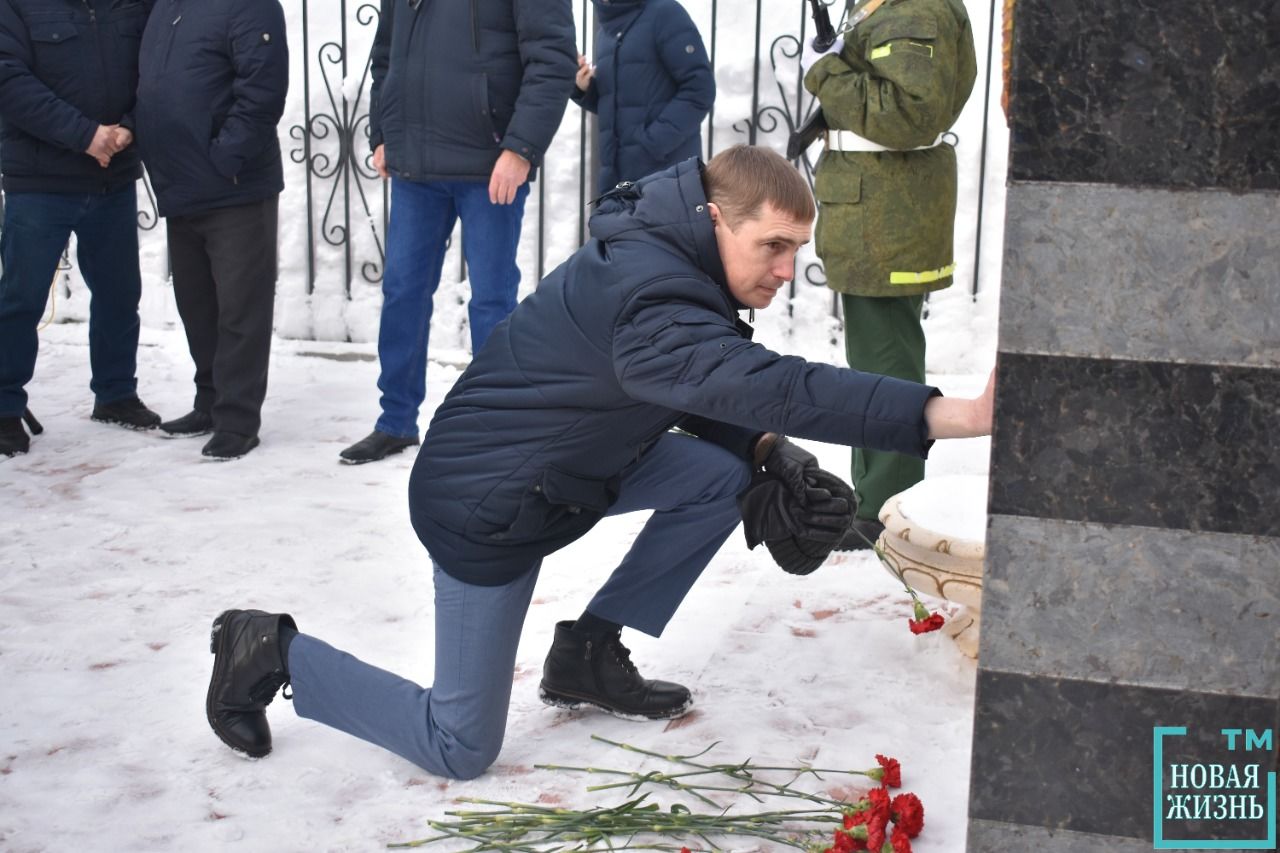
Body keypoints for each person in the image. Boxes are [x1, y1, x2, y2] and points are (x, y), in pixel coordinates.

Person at [205, 146, 993, 780]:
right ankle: (268, 649)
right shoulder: (651, 294)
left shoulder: (668, 259)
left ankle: (587, 652)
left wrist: (762, 452)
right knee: (459, 743)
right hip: (487, 505)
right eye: (774, 246)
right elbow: (778, 385)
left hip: (568, 467)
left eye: (796, 249)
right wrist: (952, 414)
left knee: (720, 480)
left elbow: (690, 388)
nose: (788, 270)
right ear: (716, 220)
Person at [337, 0, 577, 464]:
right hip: (416, 167)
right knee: (403, 291)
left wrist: (521, 148)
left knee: (491, 298)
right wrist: (382, 131)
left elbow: (553, 58)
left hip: (490, 164)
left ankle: (493, 426)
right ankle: (396, 421)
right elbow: (386, 54)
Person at [804, 0, 977, 546]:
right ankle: (876, 494)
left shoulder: (914, 12)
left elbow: (908, 115)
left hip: (886, 217)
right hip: (877, 214)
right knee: (878, 356)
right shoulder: (889, 8)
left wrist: (828, 70)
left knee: (885, 361)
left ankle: (885, 507)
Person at [0, 0, 162, 458]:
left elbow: (155, 68)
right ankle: (4, 406)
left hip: (113, 175)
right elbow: (8, 80)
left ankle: (115, 394)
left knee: (118, 292)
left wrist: (128, 128)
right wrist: (85, 135)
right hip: (41, 181)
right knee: (21, 298)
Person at [135, 0, 289, 461]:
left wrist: (225, 157)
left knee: (240, 307)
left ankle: (238, 419)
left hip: (234, 185)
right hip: (182, 182)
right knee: (196, 303)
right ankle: (209, 401)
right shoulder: (165, 7)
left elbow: (262, 90)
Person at [572, 0, 714, 195]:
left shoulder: (665, 13)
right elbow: (621, 105)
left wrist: (652, 145)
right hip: (618, 182)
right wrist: (584, 88)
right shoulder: (605, 33)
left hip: (667, 178)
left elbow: (699, 89)